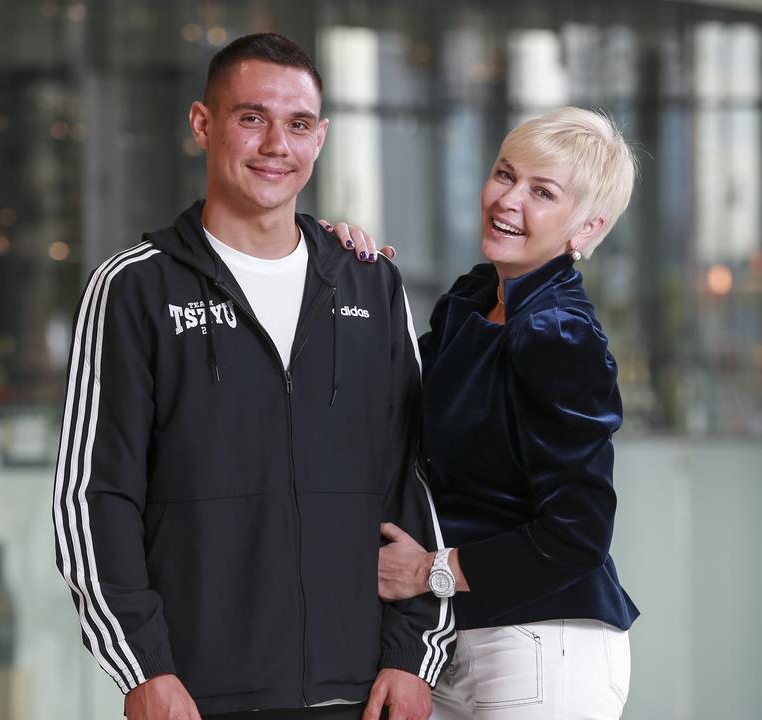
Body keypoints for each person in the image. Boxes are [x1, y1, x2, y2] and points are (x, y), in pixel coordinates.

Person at [51, 33, 454, 720]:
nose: (276, 145)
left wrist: (413, 654)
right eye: (251, 118)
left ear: (321, 138)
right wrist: (141, 666)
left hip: (360, 692)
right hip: (197, 696)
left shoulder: (370, 283)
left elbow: (415, 479)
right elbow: (94, 497)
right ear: (203, 124)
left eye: (298, 125)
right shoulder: (133, 288)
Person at [343, 107, 640, 719]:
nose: (509, 200)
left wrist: (432, 571)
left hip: (548, 643)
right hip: (462, 637)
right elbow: (387, 402)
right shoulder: (475, 303)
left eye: (543, 192)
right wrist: (332, 268)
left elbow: (579, 533)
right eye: (506, 175)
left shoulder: (557, 333)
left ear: (585, 228)